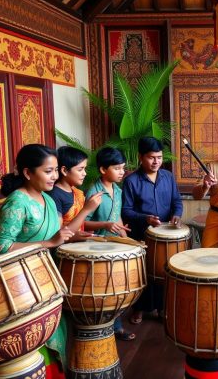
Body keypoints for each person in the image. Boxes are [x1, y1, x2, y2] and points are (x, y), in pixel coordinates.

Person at [0, 144, 74, 375]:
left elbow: (57, 236)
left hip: (47, 276)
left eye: (56, 170)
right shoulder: (17, 202)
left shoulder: (47, 200)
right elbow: (1, 247)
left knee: (56, 331)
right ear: (28, 173)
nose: (55, 176)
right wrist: (48, 244)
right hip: (22, 283)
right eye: (47, 171)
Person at [122, 137, 183, 324]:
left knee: (163, 272)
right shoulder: (131, 181)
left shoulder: (168, 177)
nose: (156, 161)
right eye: (151, 157)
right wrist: (145, 218)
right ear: (141, 157)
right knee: (142, 272)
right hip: (141, 235)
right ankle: (139, 309)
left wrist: (177, 215)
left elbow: (177, 202)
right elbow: (125, 210)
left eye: (159, 157)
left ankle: (161, 308)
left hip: (165, 235)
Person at [84, 146, 134, 341]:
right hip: (97, 248)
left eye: (123, 168)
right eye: (117, 168)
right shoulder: (94, 192)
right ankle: (108, 328)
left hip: (114, 246)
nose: (122, 172)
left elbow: (117, 217)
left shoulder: (118, 191)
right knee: (105, 290)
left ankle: (116, 325)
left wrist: (126, 238)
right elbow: (83, 222)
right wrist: (105, 224)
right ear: (104, 170)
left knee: (117, 287)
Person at [47, 146, 102, 234]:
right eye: (80, 169)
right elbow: (59, 234)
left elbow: (80, 223)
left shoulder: (77, 192)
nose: (84, 173)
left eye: (85, 169)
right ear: (64, 170)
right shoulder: (54, 195)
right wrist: (87, 209)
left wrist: (106, 225)